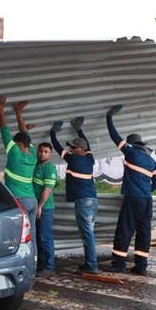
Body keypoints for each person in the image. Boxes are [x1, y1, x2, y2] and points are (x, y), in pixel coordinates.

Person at [106, 105, 156, 275]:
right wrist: (145, 190)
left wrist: (109, 118)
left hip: (133, 199)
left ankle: (119, 263)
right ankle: (141, 265)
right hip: (147, 200)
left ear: (131, 144)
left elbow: (115, 137)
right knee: (143, 232)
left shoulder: (131, 153)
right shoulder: (152, 162)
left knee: (125, 229)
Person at [50, 116, 99, 274]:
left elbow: (58, 148)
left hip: (83, 203)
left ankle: (92, 266)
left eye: (73, 147)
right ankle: (89, 263)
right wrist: (79, 129)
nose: (71, 149)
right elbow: (87, 144)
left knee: (87, 235)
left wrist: (52, 134)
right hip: (92, 200)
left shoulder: (73, 160)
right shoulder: (90, 159)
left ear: (80, 150)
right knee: (88, 234)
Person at [0, 96, 38, 261]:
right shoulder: (32, 155)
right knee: (31, 235)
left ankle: (18, 262)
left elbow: (4, 131)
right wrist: (18, 112)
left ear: (19, 144)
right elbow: (25, 135)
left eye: (15, 142)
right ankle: (33, 262)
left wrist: (0, 110)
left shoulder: (14, 154)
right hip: (32, 201)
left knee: (16, 235)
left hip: (20, 201)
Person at [33, 142, 59, 274]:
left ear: (50, 154)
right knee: (37, 237)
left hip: (45, 208)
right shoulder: (36, 165)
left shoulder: (49, 169)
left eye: (46, 151)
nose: (42, 154)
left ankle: (50, 266)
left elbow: (47, 189)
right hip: (36, 207)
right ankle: (41, 265)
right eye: (40, 151)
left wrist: (40, 206)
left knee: (45, 237)